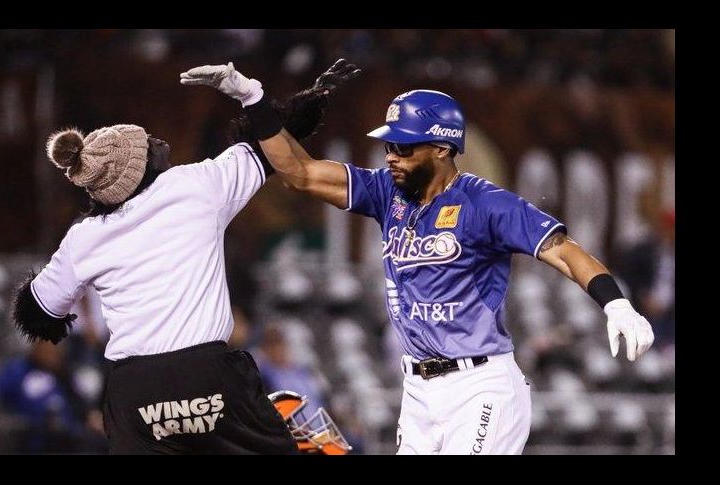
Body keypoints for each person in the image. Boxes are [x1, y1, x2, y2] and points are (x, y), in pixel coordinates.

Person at [182, 60, 656, 455]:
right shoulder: (385, 192)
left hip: (480, 385)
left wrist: (614, 302)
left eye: (404, 146)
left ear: (442, 147)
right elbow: (301, 173)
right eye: (389, 144)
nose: (391, 155)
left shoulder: (485, 203)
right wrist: (254, 100)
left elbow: (563, 250)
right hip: (418, 390)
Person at [10, 61, 359, 454]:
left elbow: (36, 312)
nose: (161, 145)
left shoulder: (84, 237)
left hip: (134, 393)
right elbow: (271, 146)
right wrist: (266, 96)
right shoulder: (194, 186)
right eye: (149, 144)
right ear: (137, 168)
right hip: (206, 378)